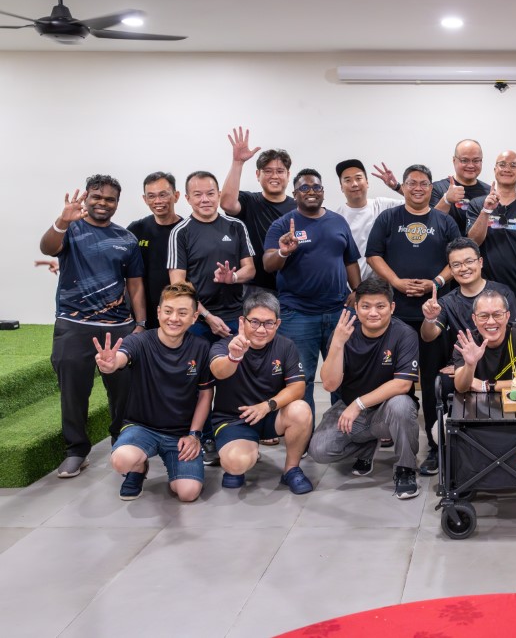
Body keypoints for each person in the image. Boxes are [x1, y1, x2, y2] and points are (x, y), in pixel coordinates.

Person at [40, 176, 145, 478]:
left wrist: (140, 324)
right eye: (96, 197)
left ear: (117, 203)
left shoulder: (126, 239)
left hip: (119, 327)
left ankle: (122, 444)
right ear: (86, 199)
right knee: (73, 392)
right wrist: (62, 220)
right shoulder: (70, 229)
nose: (102, 203)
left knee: (123, 393)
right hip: (74, 326)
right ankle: (76, 451)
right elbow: (47, 248)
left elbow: (135, 285)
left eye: (110, 199)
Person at [366, 164, 460, 475]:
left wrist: (436, 282)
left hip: (433, 315)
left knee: (433, 381)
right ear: (403, 187)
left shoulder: (444, 221)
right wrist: (395, 281)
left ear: (432, 188)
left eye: (423, 183)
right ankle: (399, 443)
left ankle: (435, 446)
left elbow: (457, 260)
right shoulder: (388, 218)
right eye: (411, 183)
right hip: (396, 315)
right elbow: (373, 255)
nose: (417, 188)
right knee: (398, 382)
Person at [94, 282, 213, 501]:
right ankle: (138, 469)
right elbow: (121, 357)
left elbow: (205, 394)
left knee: (188, 493)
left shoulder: (201, 347)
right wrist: (111, 364)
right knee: (122, 459)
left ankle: (176, 466)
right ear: (158, 312)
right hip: (142, 427)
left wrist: (194, 434)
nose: (174, 318)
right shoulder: (139, 341)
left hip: (180, 434)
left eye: (182, 313)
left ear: (194, 317)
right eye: (168, 311)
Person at [308, 278, 422, 499]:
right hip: (350, 408)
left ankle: (406, 469)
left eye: (380, 306)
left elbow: (403, 384)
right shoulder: (343, 333)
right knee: (319, 450)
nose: (373, 313)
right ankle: (367, 448)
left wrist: (358, 404)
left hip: (386, 411)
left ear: (392, 307)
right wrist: (337, 344)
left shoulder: (404, 334)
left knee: (402, 405)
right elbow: (330, 384)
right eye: (366, 306)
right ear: (356, 307)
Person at [263, 168, 361, 419]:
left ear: (323, 192)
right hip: (298, 315)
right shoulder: (282, 225)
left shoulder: (338, 221)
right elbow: (268, 264)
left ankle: (339, 431)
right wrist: (283, 251)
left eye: (316, 187)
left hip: (338, 312)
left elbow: (350, 260)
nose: (311, 192)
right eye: (304, 188)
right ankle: (303, 432)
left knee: (341, 374)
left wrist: (357, 291)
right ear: (295, 194)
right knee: (301, 378)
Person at [420, 237, 516, 472]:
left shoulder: (503, 293)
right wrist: (429, 319)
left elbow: (515, 334)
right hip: (464, 365)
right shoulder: (446, 302)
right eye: (456, 264)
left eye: (469, 261)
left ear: (480, 262)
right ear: (450, 269)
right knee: (440, 382)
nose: (463, 268)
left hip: (501, 363)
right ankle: (437, 447)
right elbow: (429, 336)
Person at [208, 291, 314, 493]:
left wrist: (267, 406)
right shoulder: (225, 345)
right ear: (242, 321)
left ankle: (291, 469)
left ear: (278, 324)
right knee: (236, 464)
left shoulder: (286, 346)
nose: (261, 329)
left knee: (301, 409)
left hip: (270, 414)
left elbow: (298, 387)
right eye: (255, 322)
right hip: (235, 419)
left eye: (269, 323)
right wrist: (234, 357)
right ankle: (246, 451)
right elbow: (218, 371)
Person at [168, 170, 256, 342]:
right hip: (196, 320)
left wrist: (233, 277)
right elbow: (178, 285)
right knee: (196, 360)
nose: (205, 199)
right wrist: (207, 316)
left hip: (235, 316)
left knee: (236, 359)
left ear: (219, 195)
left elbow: (250, 269)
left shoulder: (236, 226)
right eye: (197, 195)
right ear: (188, 199)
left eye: (210, 193)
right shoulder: (180, 232)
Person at [219, 127, 296, 293]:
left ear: (288, 175)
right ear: (257, 174)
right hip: (255, 288)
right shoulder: (249, 201)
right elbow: (227, 204)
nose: (274, 176)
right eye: (267, 171)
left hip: (291, 289)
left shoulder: (298, 207)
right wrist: (238, 163)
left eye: (280, 171)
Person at [466, 150, 516, 288]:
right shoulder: (477, 204)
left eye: (513, 165)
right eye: (502, 164)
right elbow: (472, 242)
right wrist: (486, 210)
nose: (507, 169)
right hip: (482, 288)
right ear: (495, 170)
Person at [452, 290, 516, 393]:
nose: (491, 322)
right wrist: (470, 365)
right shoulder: (467, 344)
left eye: (497, 315)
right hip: (476, 400)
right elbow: (461, 388)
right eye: (483, 316)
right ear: (474, 319)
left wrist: (488, 386)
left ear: (507, 316)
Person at [126, 172, 183, 329]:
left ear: (176, 196)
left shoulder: (188, 231)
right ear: (145, 199)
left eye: (163, 195)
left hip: (179, 316)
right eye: (151, 196)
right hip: (143, 318)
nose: (157, 201)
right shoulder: (136, 230)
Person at [335, 159, 402, 281]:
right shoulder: (336, 218)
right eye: (347, 180)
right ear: (341, 187)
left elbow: (420, 204)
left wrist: (396, 186)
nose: (354, 184)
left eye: (358, 178)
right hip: (350, 287)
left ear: (367, 182)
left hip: (384, 286)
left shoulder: (382, 205)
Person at [431, 139, 491, 235]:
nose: (471, 165)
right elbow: (430, 226)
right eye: (464, 160)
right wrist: (446, 200)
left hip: (477, 245)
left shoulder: (489, 193)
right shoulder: (437, 188)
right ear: (454, 160)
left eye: (476, 160)